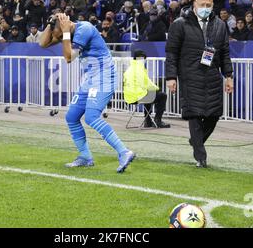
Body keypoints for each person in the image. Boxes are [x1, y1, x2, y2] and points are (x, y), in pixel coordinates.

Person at [39, 13, 135, 173]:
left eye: (59, 35)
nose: (57, 38)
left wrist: (65, 33)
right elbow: (42, 43)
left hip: (104, 77)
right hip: (91, 79)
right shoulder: (65, 31)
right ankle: (85, 157)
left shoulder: (84, 29)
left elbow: (69, 58)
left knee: (91, 117)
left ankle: (124, 152)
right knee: (72, 117)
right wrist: (51, 24)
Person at [165, 0, 234, 168]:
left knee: (214, 114)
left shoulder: (219, 25)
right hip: (189, 75)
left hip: (212, 76)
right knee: (194, 114)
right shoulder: (180, 24)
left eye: (208, 5)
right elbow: (171, 53)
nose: (205, 8)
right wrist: (171, 77)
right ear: (194, 5)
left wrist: (228, 76)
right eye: (202, 4)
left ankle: (196, 141)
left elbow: (225, 52)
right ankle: (200, 156)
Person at [123, 50, 170, 129]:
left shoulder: (130, 69)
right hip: (137, 96)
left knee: (149, 94)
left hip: (129, 97)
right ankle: (158, 120)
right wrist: (157, 89)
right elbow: (147, 84)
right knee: (162, 96)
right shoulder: (139, 69)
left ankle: (147, 121)